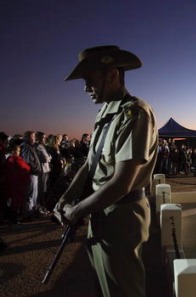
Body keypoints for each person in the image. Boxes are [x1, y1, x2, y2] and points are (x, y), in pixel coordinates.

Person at [54, 45, 158, 297]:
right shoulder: (106, 113)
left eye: (90, 80)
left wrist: (77, 210)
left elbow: (122, 182)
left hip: (122, 215)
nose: (85, 87)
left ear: (112, 75)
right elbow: (91, 163)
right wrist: (66, 198)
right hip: (101, 209)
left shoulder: (134, 112)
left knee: (123, 289)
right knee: (104, 286)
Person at [4, 143, 31, 223]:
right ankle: (13, 219)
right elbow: (26, 167)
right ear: (13, 151)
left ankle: (13, 217)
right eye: (18, 151)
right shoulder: (14, 159)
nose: (19, 152)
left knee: (14, 200)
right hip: (17, 183)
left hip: (15, 182)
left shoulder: (10, 159)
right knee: (16, 200)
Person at [20, 131, 42, 218]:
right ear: (27, 137)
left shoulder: (30, 146)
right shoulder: (26, 147)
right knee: (30, 194)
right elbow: (28, 161)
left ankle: (31, 212)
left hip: (34, 173)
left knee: (34, 194)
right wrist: (36, 169)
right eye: (32, 136)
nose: (34, 138)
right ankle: (27, 214)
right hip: (31, 174)